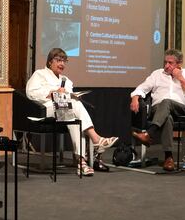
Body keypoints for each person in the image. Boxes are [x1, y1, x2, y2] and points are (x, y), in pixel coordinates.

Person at [26, 48, 118, 176]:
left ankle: (81, 163)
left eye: (64, 61)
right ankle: (96, 139)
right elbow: (31, 93)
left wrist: (72, 95)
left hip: (64, 110)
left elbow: (69, 96)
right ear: (49, 62)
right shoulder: (39, 74)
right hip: (46, 109)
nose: (62, 64)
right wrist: (51, 93)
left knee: (75, 118)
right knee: (73, 105)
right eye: (58, 60)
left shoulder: (66, 80)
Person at [130, 49, 185, 171]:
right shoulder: (157, 74)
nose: (166, 65)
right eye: (165, 62)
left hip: (180, 109)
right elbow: (142, 88)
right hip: (158, 110)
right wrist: (135, 98)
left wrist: (181, 78)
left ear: (179, 64)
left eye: (170, 63)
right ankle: (168, 158)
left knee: (166, 101)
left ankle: (149, 134)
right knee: (167, 117)